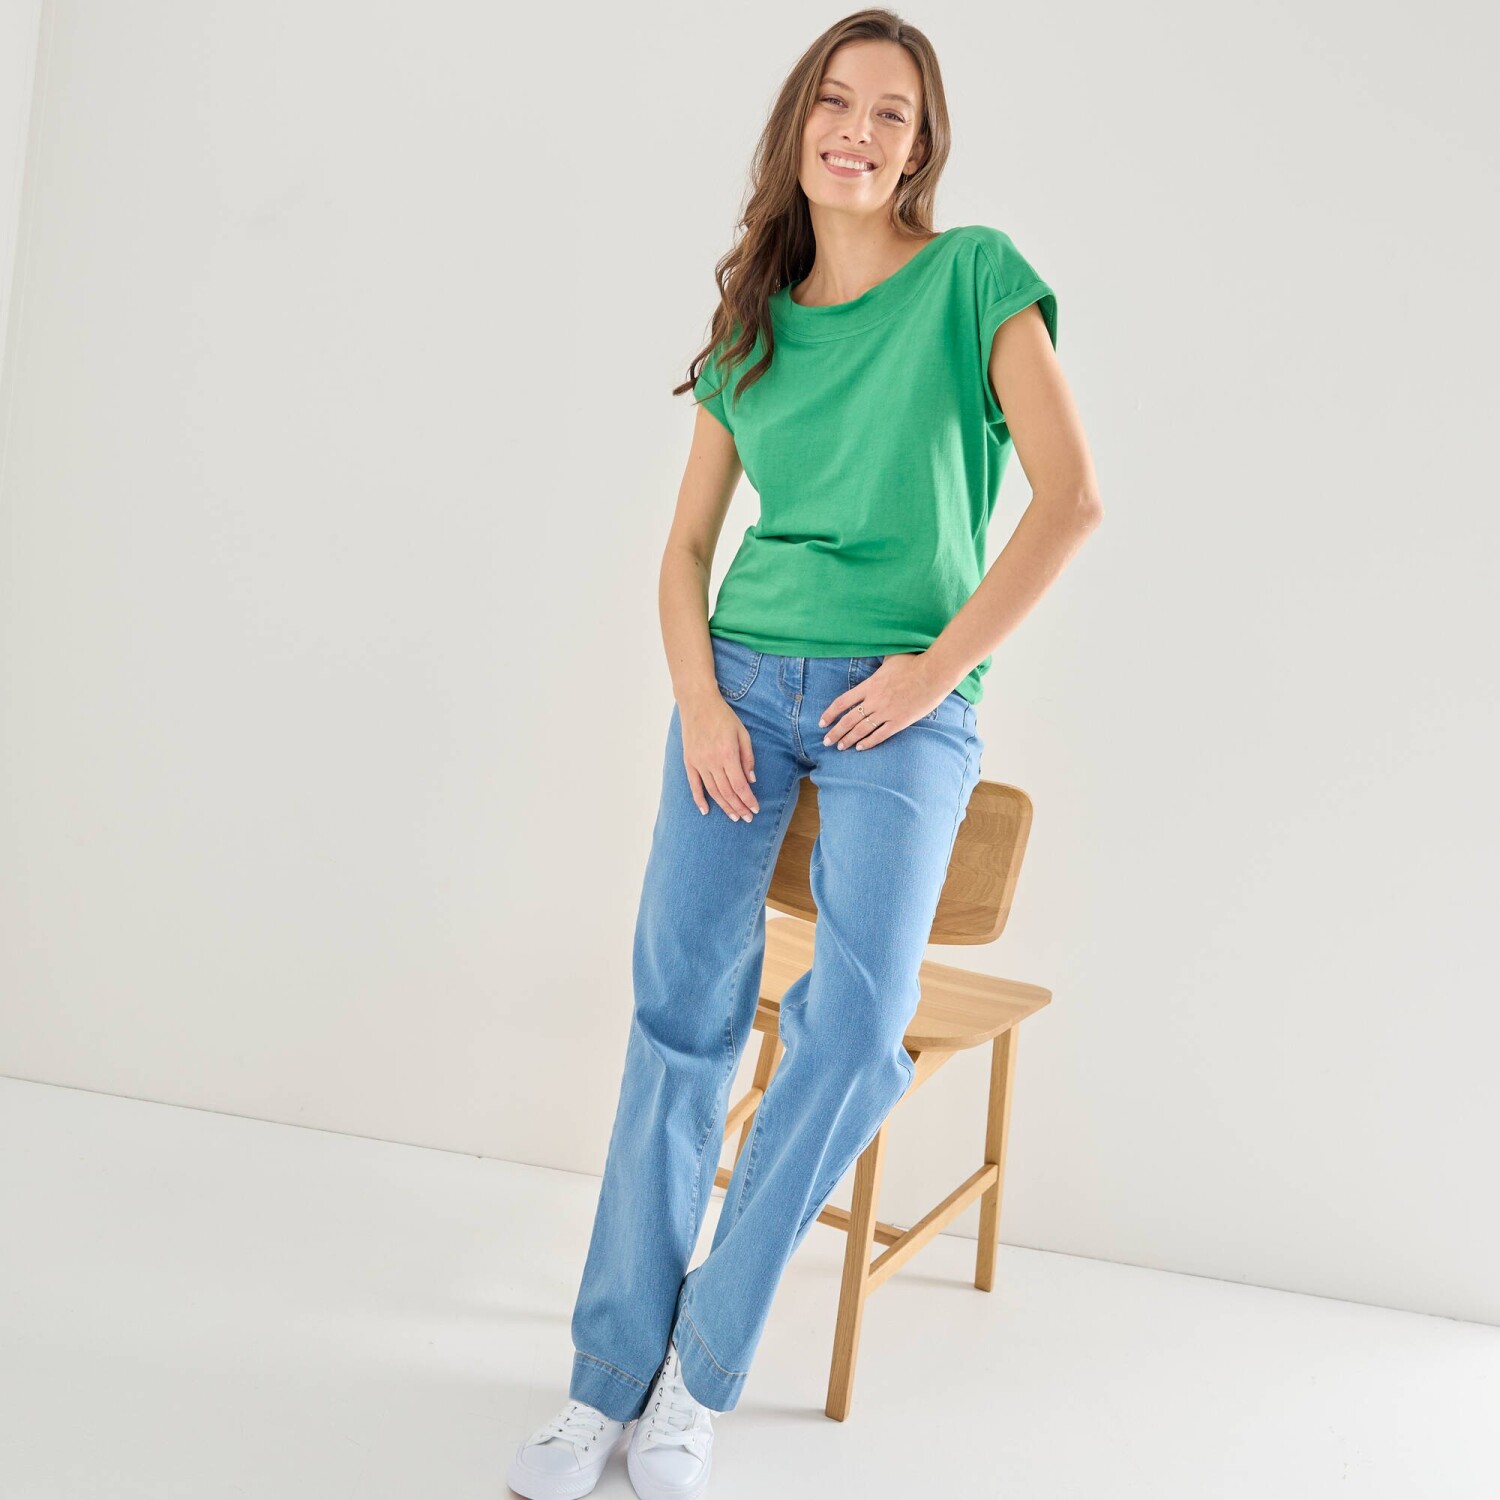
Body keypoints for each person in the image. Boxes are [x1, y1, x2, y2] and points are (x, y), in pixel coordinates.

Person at [508, 9, 1102, 1498]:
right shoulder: (753, 326)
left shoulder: (976, 278)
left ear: (922, 145)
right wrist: (701, 701)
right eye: (836, 102)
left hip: (904, 700)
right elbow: (685, 550)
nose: (859, 129)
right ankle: (601, 1386)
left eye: (892, 112)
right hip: (738, 686)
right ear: (800, 126)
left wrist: (930, 674)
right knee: (680, 1022)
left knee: (858, 1021)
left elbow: (1071, 501)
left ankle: (695, 1370)